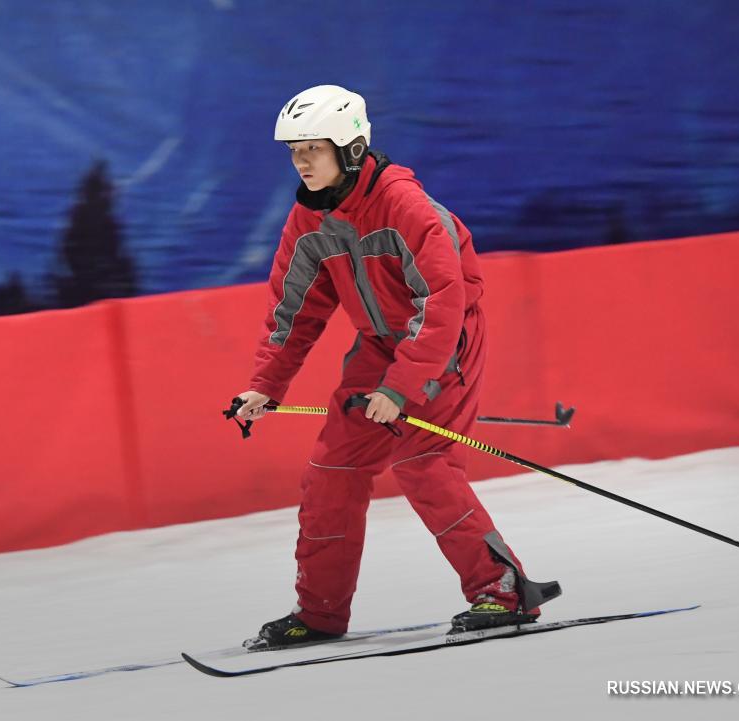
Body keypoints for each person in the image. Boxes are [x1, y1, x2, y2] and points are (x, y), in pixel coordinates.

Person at [234, 85, 559, 650]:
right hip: (380, 345)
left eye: (314, 147)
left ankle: (504, 591)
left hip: (445, 340)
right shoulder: (310, 220)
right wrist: (265, 385)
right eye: (294, 151)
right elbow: (293, 312)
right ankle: (319, 613)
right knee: (330, 470)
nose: (302, 161)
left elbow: (441, 301)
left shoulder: (405, 206)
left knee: (421, 461)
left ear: (353, 148)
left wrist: (402, 388)